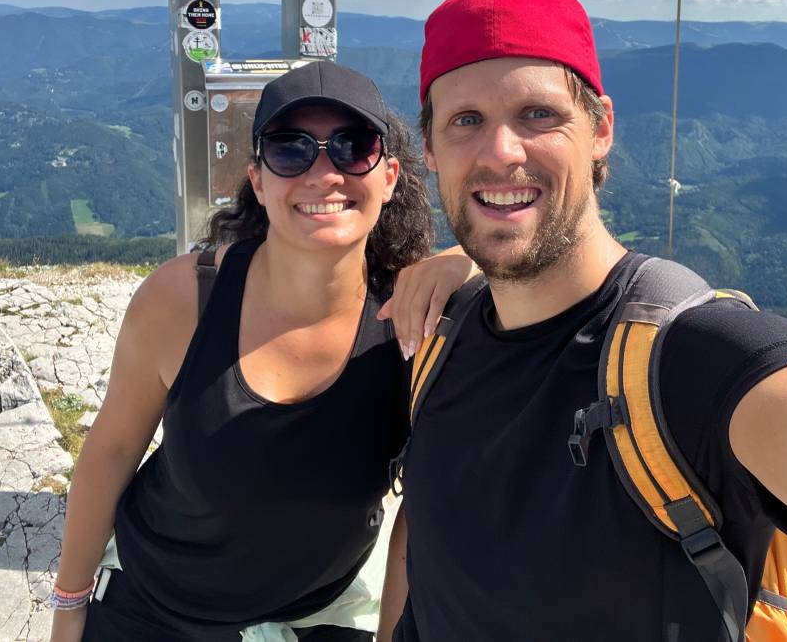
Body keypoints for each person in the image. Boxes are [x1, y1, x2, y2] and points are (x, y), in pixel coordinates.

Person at [377, 0, 787, 641]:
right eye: (465, 121)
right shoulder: (437, 338)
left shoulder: (692, 362)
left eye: (538, 115)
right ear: (428, 151)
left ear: (601, 129)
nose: (501, 151)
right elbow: (423, 539)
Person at [50, 61, 474, 641]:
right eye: (290, 149)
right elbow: (112, 449)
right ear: (257, 178)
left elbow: (423, 510)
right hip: (153, 607)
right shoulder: (184, 299)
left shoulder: (414, 318)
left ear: (390, 175)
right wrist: (70, 606)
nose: (323, 172)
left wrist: (467, 260)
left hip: (319, 619)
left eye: (352, 147)